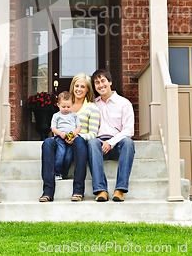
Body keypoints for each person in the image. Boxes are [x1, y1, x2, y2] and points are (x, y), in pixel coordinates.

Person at [39, 73, 100, 202]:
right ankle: (48, 191)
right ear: (72, 87)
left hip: (78, 145)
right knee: (48, 142)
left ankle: (78, 191)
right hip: (61, 140)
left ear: (87, 89)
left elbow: (93, 134)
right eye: (76, 86)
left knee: (79, 141)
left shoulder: (92, 108)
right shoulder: (65, 104)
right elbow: (55, 127)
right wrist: (62, 135)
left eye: (82, 86)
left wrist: (75, 136)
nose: (79, 89)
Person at [87, 69, 135, 202]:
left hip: (117, 144)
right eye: (97, 83)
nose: (100, 85)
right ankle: (101, 190)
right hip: (99, 145)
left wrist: (111, 142)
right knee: (92, 143)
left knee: (128, 142)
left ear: (110, 82)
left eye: (103, 81)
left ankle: (119, 190)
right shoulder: (92, 105)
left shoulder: (124, 103)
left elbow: (129, 130)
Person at [51, 91, 81, 180]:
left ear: (72, 105)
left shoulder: (74, 116)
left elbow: (79, 126)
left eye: (68, 106)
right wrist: (60, 133)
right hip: (60, 138)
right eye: (63, 106)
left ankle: (64, 173)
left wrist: (75, 133)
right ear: (58, 105)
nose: (66, 109)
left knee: (68, 156)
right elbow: (53, 128)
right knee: (61, 153)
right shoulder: (56, 116)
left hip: (71, 138)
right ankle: (57, 172)